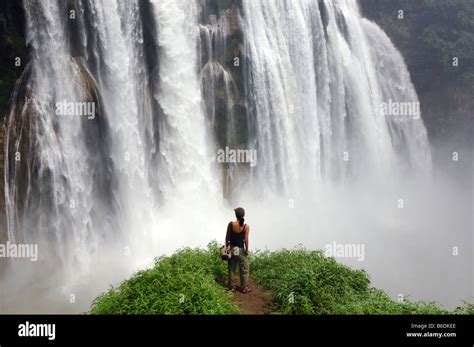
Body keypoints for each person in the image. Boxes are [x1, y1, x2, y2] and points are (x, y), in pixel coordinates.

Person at [225, 207, 252, 293]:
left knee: (231, 268)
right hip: (240, 250)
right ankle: (244, 287)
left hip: (232, 249)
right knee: (244, 268)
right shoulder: (246, 226)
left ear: (236, 215)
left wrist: (227, 248)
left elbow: (227, 238)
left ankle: (231, 286)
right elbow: (246, 240)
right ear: (243, 215)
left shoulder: (231, 224)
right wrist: (246, 250)